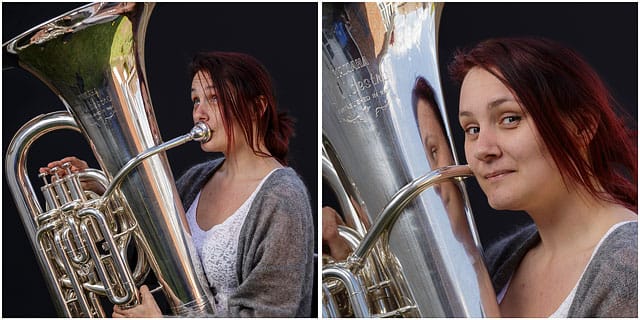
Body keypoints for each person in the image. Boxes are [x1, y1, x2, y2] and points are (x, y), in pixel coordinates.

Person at [323, 36, 637, 317]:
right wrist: (367, 290)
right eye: (471, 129)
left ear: (582, 127)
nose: (482, 149)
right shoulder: (501, 260)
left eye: (510, 119)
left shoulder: (630, 267)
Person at [42, 52, 314, 317]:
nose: (200, 113)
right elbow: (146, 255)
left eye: (214, 98)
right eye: (195, 100)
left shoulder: (283, 197)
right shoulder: (197, 179)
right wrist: (99, 194)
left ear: (258, 107)